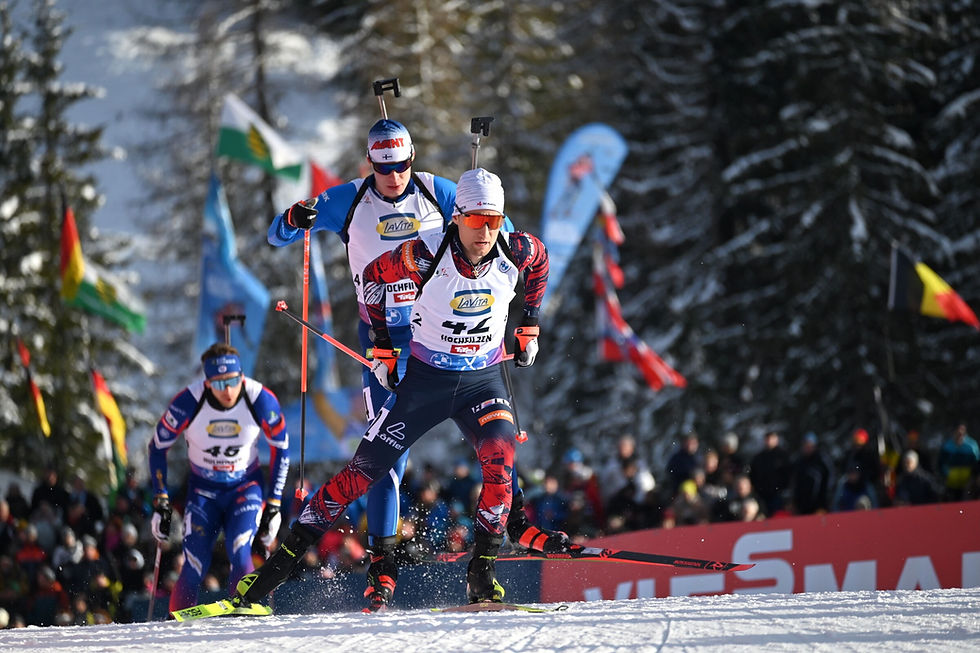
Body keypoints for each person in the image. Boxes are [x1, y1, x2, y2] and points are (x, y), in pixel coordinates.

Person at [232, 167, 564, 610]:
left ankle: (482, 572)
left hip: (482, 380)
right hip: (426, 381)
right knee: (361, 475)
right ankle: (269, 577)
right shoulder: (425, 253)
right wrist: (384, 349)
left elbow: (541, 265)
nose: (485, 230)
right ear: (456, 217)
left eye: (493, 220)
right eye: (475, 220)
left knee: (501, 461)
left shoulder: (517, 247)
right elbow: (371, 279)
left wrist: (530, 326)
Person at [147, 343, 290, 612]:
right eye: (218, 382)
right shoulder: (188, 401)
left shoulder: (260, 398)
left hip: (244, 487)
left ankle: (244, 613)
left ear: (242, 376)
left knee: (240, 550)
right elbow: (157, 447)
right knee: (194, 562)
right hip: (203, 491)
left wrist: (274, 504)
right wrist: (162, 502)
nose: (227, 389)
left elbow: (282, 449)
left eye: (233, 380)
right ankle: (174, 629)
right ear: (207, 381)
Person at [937, 422, 980, 501]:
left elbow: (977, 463)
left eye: (962, 431)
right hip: (950, 483)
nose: (960, 433)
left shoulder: (971, 446)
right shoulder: (947, 446)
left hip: (967, 483)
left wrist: (974, 477)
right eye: (958, 431)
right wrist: (946, 475)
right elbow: (941, 463)